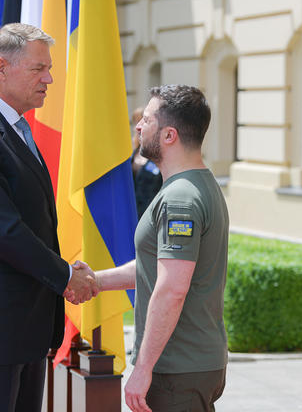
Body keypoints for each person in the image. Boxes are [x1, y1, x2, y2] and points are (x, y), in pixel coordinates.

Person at [0, 23, 98, 412]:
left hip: (21, 325)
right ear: (1, 67)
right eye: (38, 69)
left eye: (50, 68)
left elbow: (32, 220)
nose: (50, 78)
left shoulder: (12, 126)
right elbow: (2, 232)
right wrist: (64, 276)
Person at [92, 85, 229, 412]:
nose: (138, 126)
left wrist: (142, 368)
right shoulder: (195, 184)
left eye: (147, 121)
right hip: (189, 364)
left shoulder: (180, 198)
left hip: (176, 369)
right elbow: (155, 265)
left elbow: (171, 289)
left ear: (169, 135)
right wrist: (94, 281)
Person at [130, 106, 163, 218]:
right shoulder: (132, 155)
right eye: (135, 122)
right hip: (133, 216)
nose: (138, 127)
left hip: (152, 217)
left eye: (143, 121)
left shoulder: (159, 154)